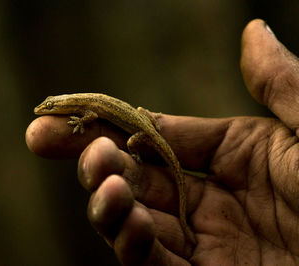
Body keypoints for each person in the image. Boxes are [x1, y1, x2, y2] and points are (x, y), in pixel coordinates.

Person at [26, 19, 299, 265]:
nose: (46, 108)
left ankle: (159, 184)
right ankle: (179, 212)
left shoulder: (84, 109)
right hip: (144, 120)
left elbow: (92, 114)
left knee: (131, 148)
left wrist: (93, 129)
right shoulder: (81, 103)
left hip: (143, 133)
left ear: (60, 105)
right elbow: (93, 110)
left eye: (49, 105)